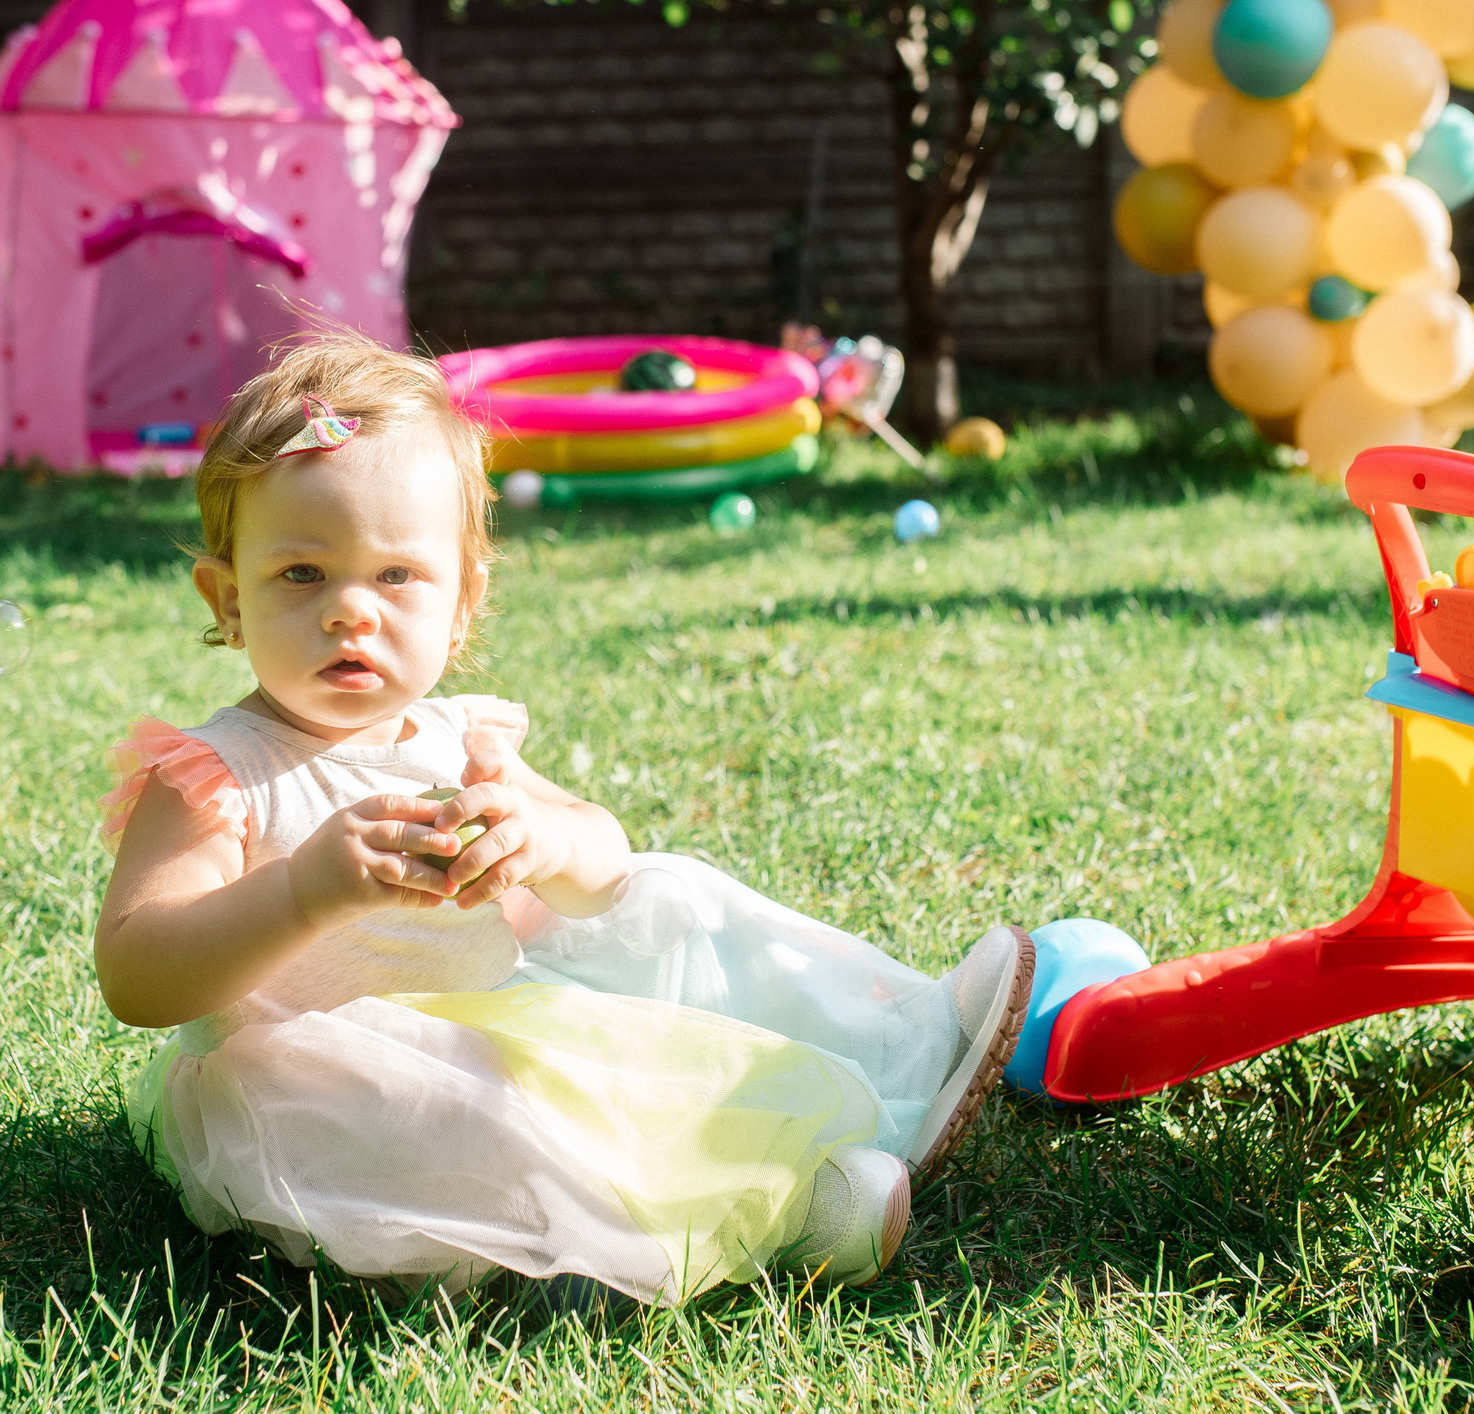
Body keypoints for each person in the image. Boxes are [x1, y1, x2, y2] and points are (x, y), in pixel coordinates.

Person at [94, 333, 1035, 1304]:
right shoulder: (218, 775)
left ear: (463, 603)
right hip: (310, 1084)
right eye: (302, 574)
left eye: (396, 576)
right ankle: (752, 1220)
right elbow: (137, 972)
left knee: (662, 901)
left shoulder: (462, 740)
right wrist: (302, 891)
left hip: (496, 1023)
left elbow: (603, 867)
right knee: (444, 1118)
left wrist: (544, 841)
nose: (351, 613)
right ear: (228, 598)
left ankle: (905, 1043)